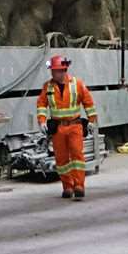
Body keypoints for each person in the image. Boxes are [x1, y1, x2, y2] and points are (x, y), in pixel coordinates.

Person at [35, 54, 97, 200]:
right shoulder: (48, 87)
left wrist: (91, 120)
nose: (53, 73)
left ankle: (79, 186)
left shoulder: (77, 84)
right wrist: (42, 120)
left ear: (63, 70)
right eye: (52, 70)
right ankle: (67, 187)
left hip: (75, 126)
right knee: (61, 159)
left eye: (55, 70)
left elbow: (88, 102)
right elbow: (41, 104)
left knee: (77, 155)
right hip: (58, 128)